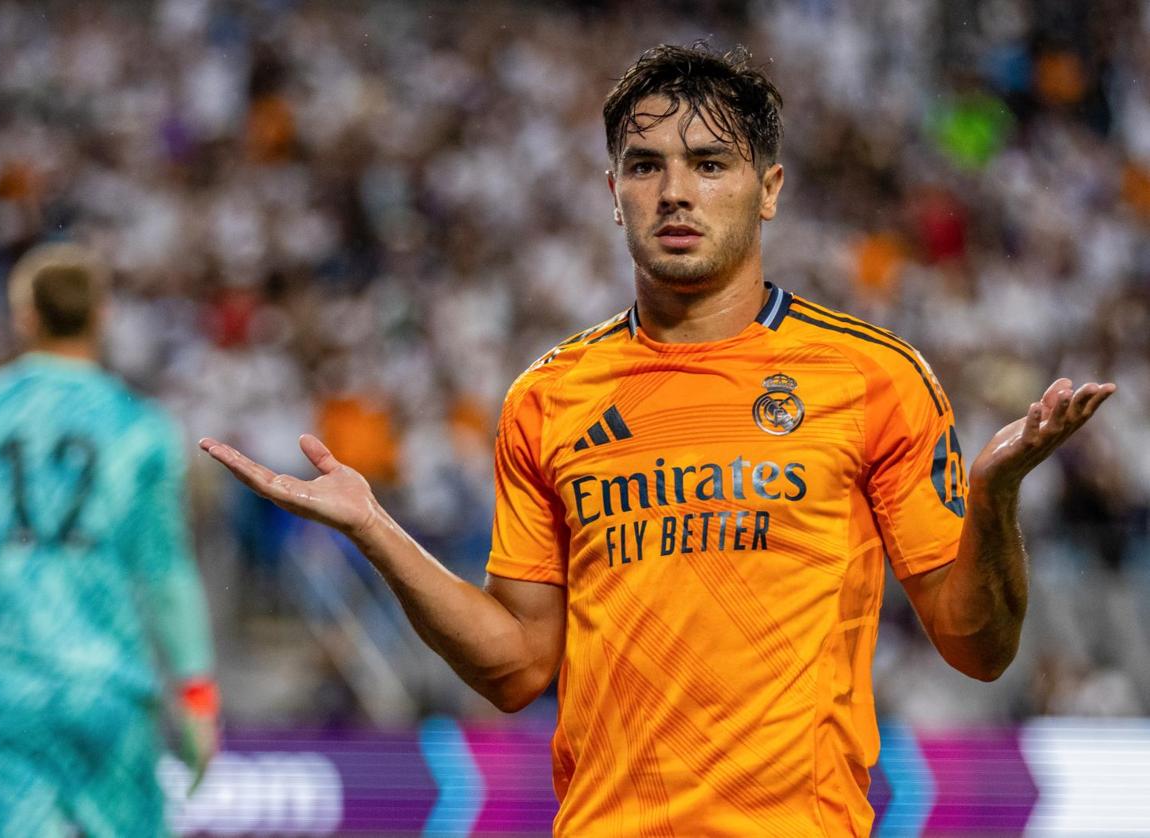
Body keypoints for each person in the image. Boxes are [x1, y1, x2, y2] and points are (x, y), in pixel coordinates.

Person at [200, 44, 1115, 836]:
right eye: (644, 165)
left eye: (711, 163)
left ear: (769, 191)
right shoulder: (548, 398)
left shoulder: (873, 377)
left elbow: (978, 648)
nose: (675, 191)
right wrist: (375, 531)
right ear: (612, 192)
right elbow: (519, 667)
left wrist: (994, 501)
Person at [0, 243, 220, 836]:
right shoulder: (141, 428)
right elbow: (166, 572)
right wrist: (197, 692)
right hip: (109, 687)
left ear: (25, 316)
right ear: (102, 315)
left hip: (8, 688)